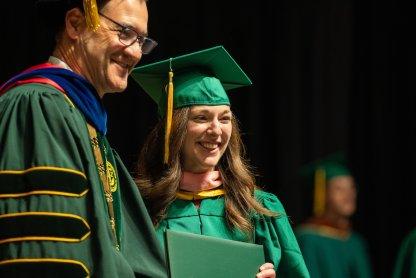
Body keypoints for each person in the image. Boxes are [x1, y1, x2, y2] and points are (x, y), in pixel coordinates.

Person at [0, 0, 167, 277]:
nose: (136, 53)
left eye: (142, 40)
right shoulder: (37, 107)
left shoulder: (82, 120)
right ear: (76, 24)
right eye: (125, 32)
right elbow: (44, 250)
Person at [131, 45, 310, 278]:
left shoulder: (258, 209)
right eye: (201, 117)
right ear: (173, 129)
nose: (216, 130)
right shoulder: (140, 206)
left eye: (224, 119)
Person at [295, 152, 373, 278]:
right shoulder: (309, 240)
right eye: (339, 189)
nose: (348, 195)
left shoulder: (356, 242)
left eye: (351, 188)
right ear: (323, 194)